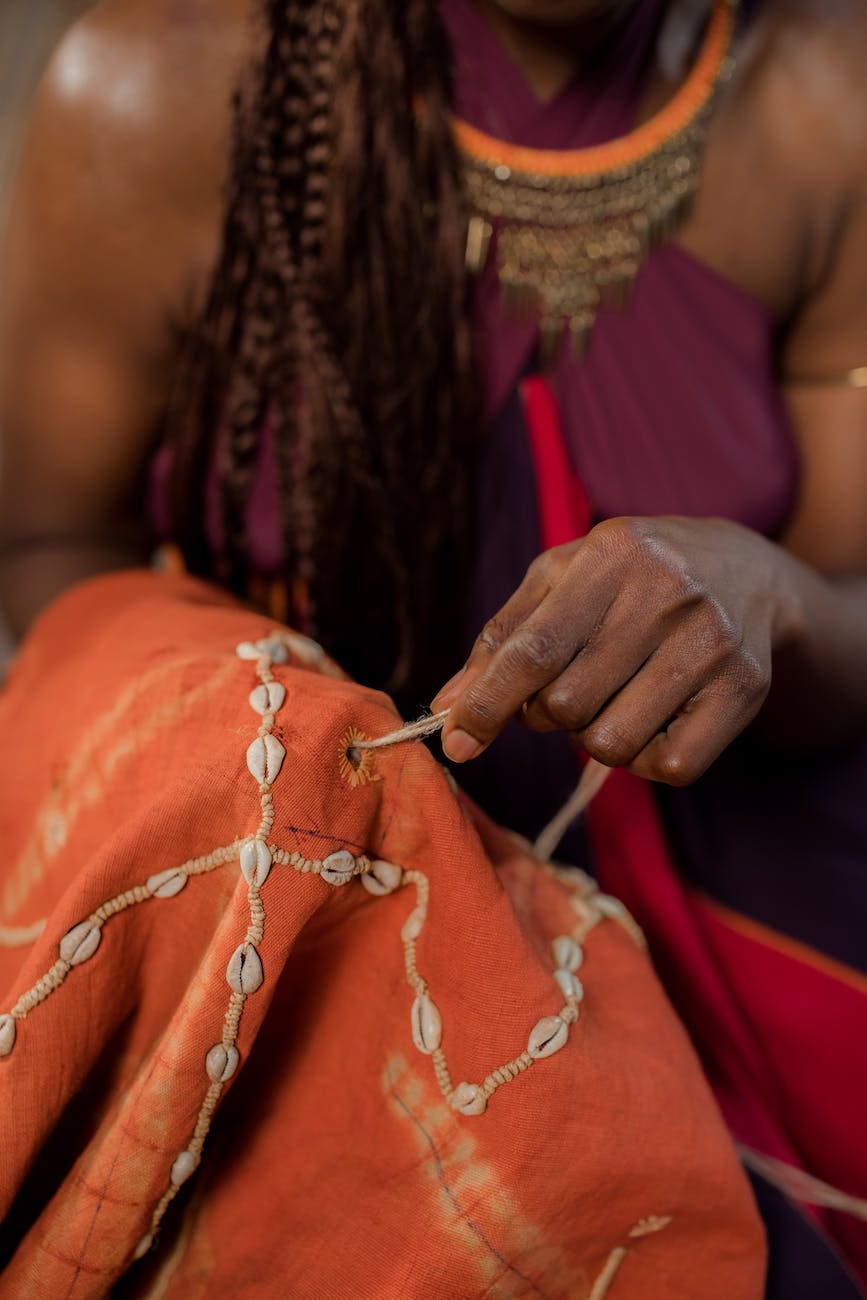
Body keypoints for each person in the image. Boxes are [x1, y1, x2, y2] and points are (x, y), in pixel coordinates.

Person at [0, 0, 865, 1292]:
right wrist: (265, 736)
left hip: (735, 898)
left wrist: (773, 597)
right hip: (294, 899)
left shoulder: (826, 87)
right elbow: (43, 549)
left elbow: (854, 612)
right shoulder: (155, 87)